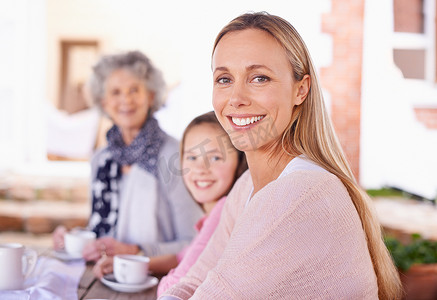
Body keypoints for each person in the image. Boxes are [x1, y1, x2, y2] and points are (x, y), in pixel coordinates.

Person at [160, 12, 402, 300]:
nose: (236, 98)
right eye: (224, 79)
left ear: (301, 89)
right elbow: (193, 281)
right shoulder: (247, 186)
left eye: (259, 78)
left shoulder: (299, 194)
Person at [52, 50, 203, 261]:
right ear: (104, 102)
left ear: (150, 96)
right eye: (115, 92)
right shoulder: (101, 159)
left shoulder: (175, 155)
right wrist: (74, 238)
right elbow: (104, 229)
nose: (125, 100)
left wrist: (136, 251)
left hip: (159, 282)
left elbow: (196, 244)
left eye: (134, 90)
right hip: (104, 278)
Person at [92, 111, 248, 293]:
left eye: (215, 158)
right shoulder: (213, 215)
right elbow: (183, 257)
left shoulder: (223, 212)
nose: (200, 168)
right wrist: (134, 263)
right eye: (192, 157)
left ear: (239, 161)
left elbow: (174, 285)